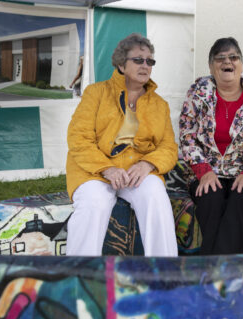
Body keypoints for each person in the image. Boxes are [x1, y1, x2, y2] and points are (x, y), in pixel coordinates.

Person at [66, 33, 178, 256]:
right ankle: (79, 280)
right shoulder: (96, 93)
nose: (145, 65)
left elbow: (168, 147)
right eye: (138, 60)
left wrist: (148, 164)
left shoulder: (159, 104)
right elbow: (79, 138)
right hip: (95, 170)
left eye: (150, 61)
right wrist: (107, 169)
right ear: (120, 63)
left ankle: (165, 277)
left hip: (137, 170)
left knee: (156, 195)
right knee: (93, 202)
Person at [179, 37, 243, 255]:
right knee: (210, 199)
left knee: (240, 201)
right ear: (211, 66)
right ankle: (232, 270)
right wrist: (203, 171)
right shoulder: (198, 92)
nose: (228, 62)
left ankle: (211, 267)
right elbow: (187, 135)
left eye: (234, 57)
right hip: (206, 170)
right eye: (220, 58)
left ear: (241, 64)